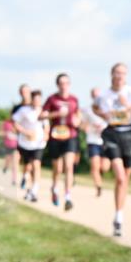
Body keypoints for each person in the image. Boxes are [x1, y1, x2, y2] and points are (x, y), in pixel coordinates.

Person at [94, 63, 131, 237]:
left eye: (123, 73)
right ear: (111, 74)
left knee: (125, 181)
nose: (119, 76)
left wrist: (129, 107)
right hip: (111, 134)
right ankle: (118, 218)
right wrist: (103, 115)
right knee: (120, 177)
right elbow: (95, 106)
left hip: (129, 135)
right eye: (117, 73)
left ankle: (118, 215)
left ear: (126, 76)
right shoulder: (104, 95)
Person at [43, 73, 81, 211]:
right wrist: (56, 114)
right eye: (61, 83)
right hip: (55, 136)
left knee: (69, 166)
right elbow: (42, 115)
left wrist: (78, 120)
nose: (64, 86)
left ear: (69, 85)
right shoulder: (52, 99)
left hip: (70, 135)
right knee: (57, 169)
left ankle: (68, 197)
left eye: (66, 83)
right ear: (57, 85)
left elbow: (78, 115)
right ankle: (54, 187)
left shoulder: (74, 99)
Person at [12, 90, 47, 202]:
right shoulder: (24, 110)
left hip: (39, 143)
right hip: (25, 143)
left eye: (39, 99)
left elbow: (46, 125)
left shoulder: (43, 112)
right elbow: (14, 122)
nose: (37, 101)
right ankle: (26, 178)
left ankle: (34, 190)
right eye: (35, 99)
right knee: (28, 167)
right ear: (32, 99)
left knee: (36, 165)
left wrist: (46, 135)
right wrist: (25, 132)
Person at [83, 87, 109, 196]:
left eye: (98, 95)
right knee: (95, 166)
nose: (96, 97)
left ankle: (99, 175)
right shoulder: (87, 110)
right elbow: (83, 124)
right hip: (93, 140)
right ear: (91, 96)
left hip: (106, 140)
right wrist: (90, 127)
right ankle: (98, 187)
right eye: (94, 95)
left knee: (105, 167)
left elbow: (113, 121)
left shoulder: (107, 107)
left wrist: (103, 128)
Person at [1, 115, 20, 185]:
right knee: (7, 160)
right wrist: (5, 134)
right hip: (8, 145)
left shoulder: (20, 123)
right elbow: (1, 132)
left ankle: (14, 179)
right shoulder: (6, 123)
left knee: (15, 163)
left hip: (17, 146)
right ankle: (5, 167)